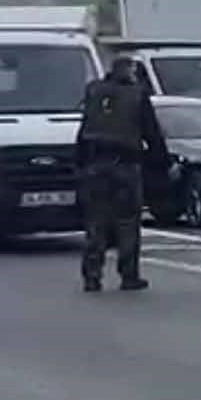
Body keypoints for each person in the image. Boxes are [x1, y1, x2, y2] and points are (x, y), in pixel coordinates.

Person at [76, 56, 171, 292]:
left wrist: (78, 164)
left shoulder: (94, 92)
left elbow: (84, 128)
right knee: (127, 222)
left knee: (96, 221)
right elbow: (152, 133)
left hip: (95, 165)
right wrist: (164, 163)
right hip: (125, 166)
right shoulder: (137, 96)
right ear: (127, 70)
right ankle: (129, 274)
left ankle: (92, 275)